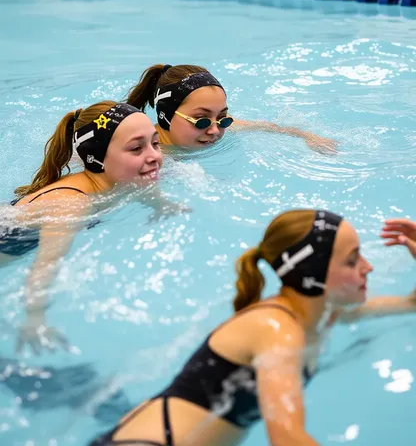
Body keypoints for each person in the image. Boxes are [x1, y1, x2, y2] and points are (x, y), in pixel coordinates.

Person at [88, 209, 416, 446]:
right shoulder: (278, 330)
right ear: (313, 274)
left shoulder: (321, 315)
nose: (368, 267)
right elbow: (287, 437)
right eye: (352, 259)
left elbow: (411, 305)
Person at [0, 101, 163, 353]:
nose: (154, 156)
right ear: (97, 158)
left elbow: (139, 186)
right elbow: (46, 264)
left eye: (155, 143)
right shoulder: (71, 204)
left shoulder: (112, 178)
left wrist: (162, 205)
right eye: (136, 148)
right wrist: (35, 318)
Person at [127, 64, 337, 154]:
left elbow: (268, 127)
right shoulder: (149, 155)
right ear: (165, 117)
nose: (214, 130)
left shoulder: (217, 127)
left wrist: (308, 136)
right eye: (201, 120)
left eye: (223, 118)